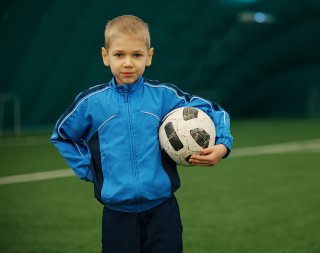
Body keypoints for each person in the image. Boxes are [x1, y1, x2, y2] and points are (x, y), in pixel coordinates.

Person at [51, 14, 233, 253]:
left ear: (149, 56)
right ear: (106, 56)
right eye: (119, 55)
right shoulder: (91, 103)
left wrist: (222, 145)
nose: (128, 63)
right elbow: (63, 135)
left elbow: (214, 110)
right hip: (117, 215)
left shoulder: (164, 96)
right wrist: (89, 169)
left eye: (137, 55)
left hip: (163, 211)